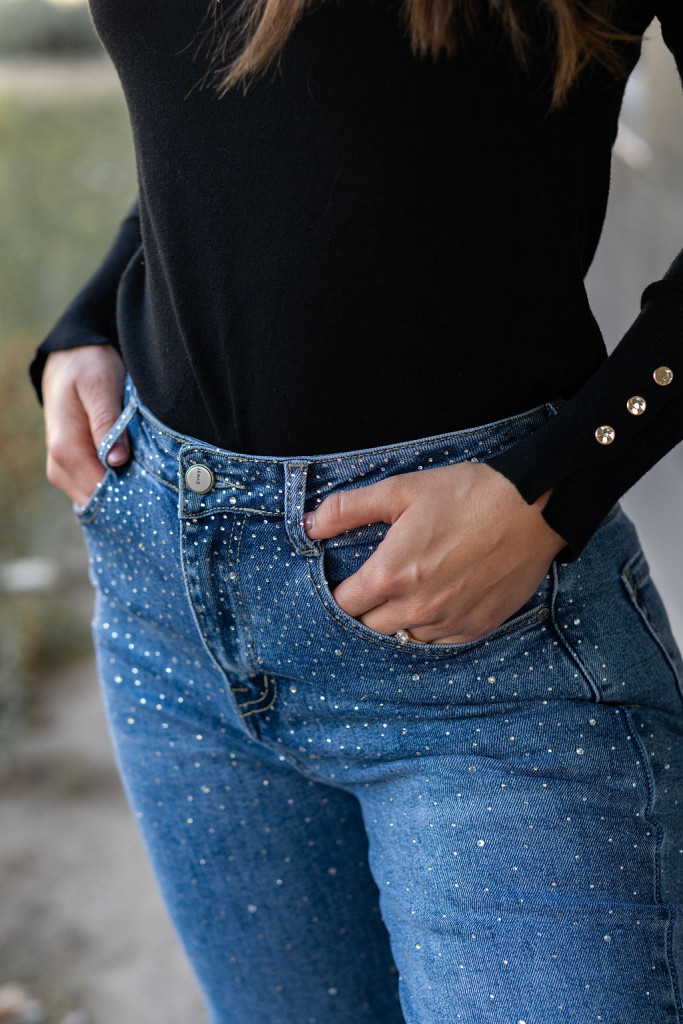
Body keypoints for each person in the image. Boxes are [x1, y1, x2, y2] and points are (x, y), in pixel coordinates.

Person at [30, 0, 683, 1020]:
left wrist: (564, 477)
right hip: (173, 614)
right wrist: (93, 312)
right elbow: (233, 116)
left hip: (488, 648)